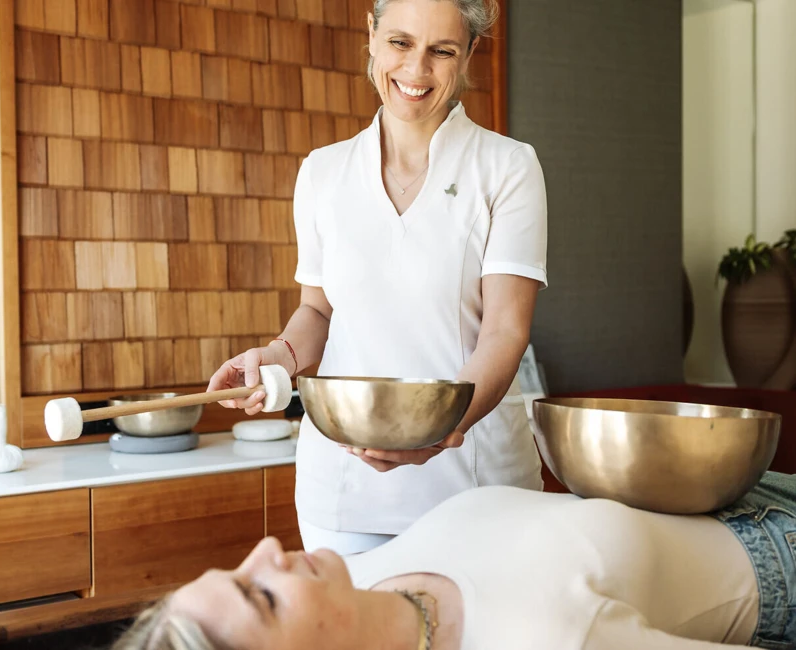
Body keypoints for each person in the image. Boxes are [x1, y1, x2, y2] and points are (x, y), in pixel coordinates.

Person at [207, 0, 548, 554]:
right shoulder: (322, 172)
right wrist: (277, 357)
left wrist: (440, 430)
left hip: (478, 489)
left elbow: (506, 330)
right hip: (343, 495)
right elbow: (318, 312)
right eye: (400, 43)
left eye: (441, 51)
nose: (416, 71)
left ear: (469, 54)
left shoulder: (507, 167)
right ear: (370, 34)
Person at [111, 473, 796, 649]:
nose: (265, 553)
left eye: (235, 567)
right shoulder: (547, 641)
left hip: (735, 492)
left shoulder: (369, 583)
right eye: (259, 596)